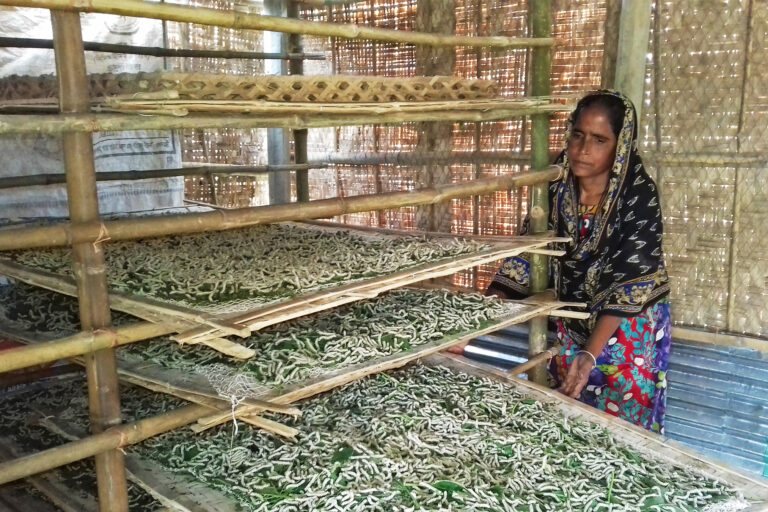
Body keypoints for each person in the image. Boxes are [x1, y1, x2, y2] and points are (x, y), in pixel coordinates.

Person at [455, 90, 671, 433]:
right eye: (578, 135)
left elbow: (632, 280)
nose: (584, 148)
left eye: (599, 140)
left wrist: (590, 356)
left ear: (620, 146)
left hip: (626, 326)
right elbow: (529, 254)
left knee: (619, 424)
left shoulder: (638, 195)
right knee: (566, 416)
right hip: (569, 316)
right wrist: (475, 325)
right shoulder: (556, 188)